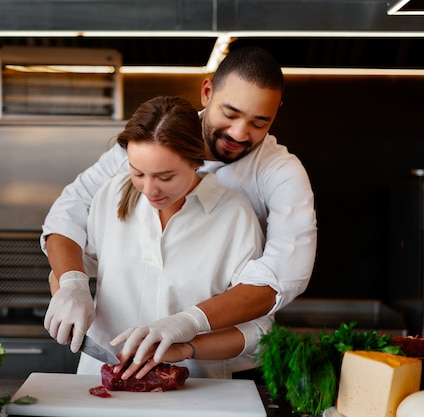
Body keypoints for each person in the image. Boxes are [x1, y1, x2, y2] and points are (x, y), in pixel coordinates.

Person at [41, 46, 317, 377]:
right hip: (101, 378)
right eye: (230, 114)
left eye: (259, 122)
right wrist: (69, 284)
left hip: (207, 368)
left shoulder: (263, 189)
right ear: (207, 92)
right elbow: (68, 216)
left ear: (195, 165)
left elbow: (280, 279)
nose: (240, 133)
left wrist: (188, 325)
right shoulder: (121, 180)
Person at [45, 96, 271, 378]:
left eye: (165, 177)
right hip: (100, 388)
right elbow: (74, 264)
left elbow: (259, 329)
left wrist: (186, 347)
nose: (149, 189)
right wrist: (69, 288)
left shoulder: (234, 216)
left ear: (195, 161)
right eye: (138, 172)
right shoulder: (112, 194)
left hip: (195, 396)